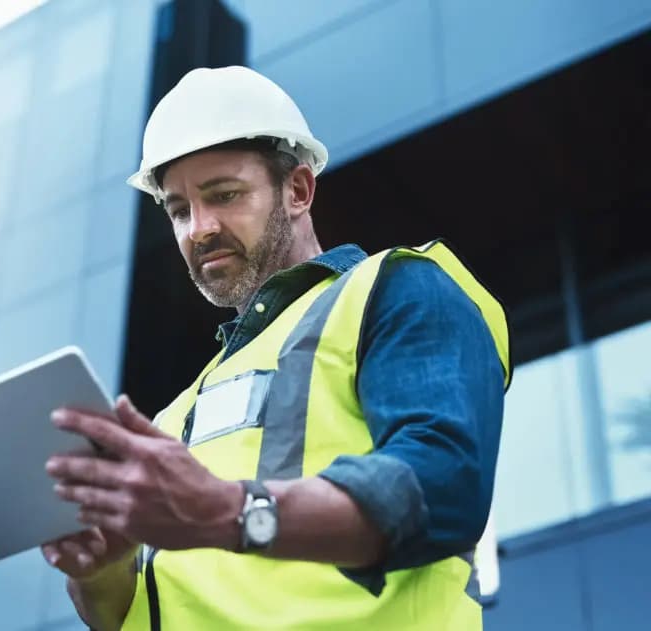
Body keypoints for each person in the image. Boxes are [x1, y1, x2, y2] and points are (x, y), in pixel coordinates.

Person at [40, 66, 509, 630]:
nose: (198, 229)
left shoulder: (393, 289)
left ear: (298, 190)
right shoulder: (172, 418)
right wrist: (100, 571)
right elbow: (126, 617)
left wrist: (229, 511)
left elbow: (443, 486)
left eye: (224, 195)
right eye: (179, 210)